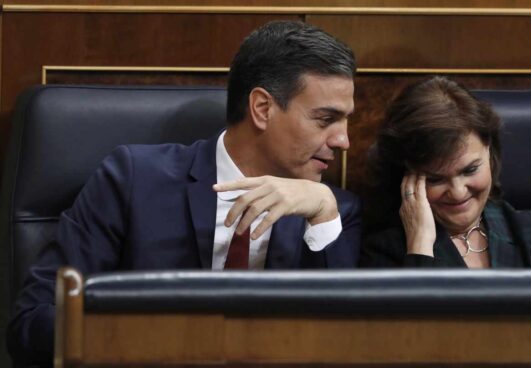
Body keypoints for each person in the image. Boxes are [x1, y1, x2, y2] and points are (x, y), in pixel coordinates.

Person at [8, 21, 361, 365]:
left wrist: (324, 217)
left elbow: (348, 347)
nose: (343, 141)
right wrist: (161, 337)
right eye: (325, 119)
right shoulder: (133, 181)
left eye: (346, 121)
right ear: (263, 109)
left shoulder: (334, 212)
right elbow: (32, 325)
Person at [360, 76, 531, 269]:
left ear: (489, 152)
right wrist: (420, 246)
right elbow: (413, 314)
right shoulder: (385, 248)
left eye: (470, 170)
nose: (457, 192)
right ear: (406, 176)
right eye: (435, 179)